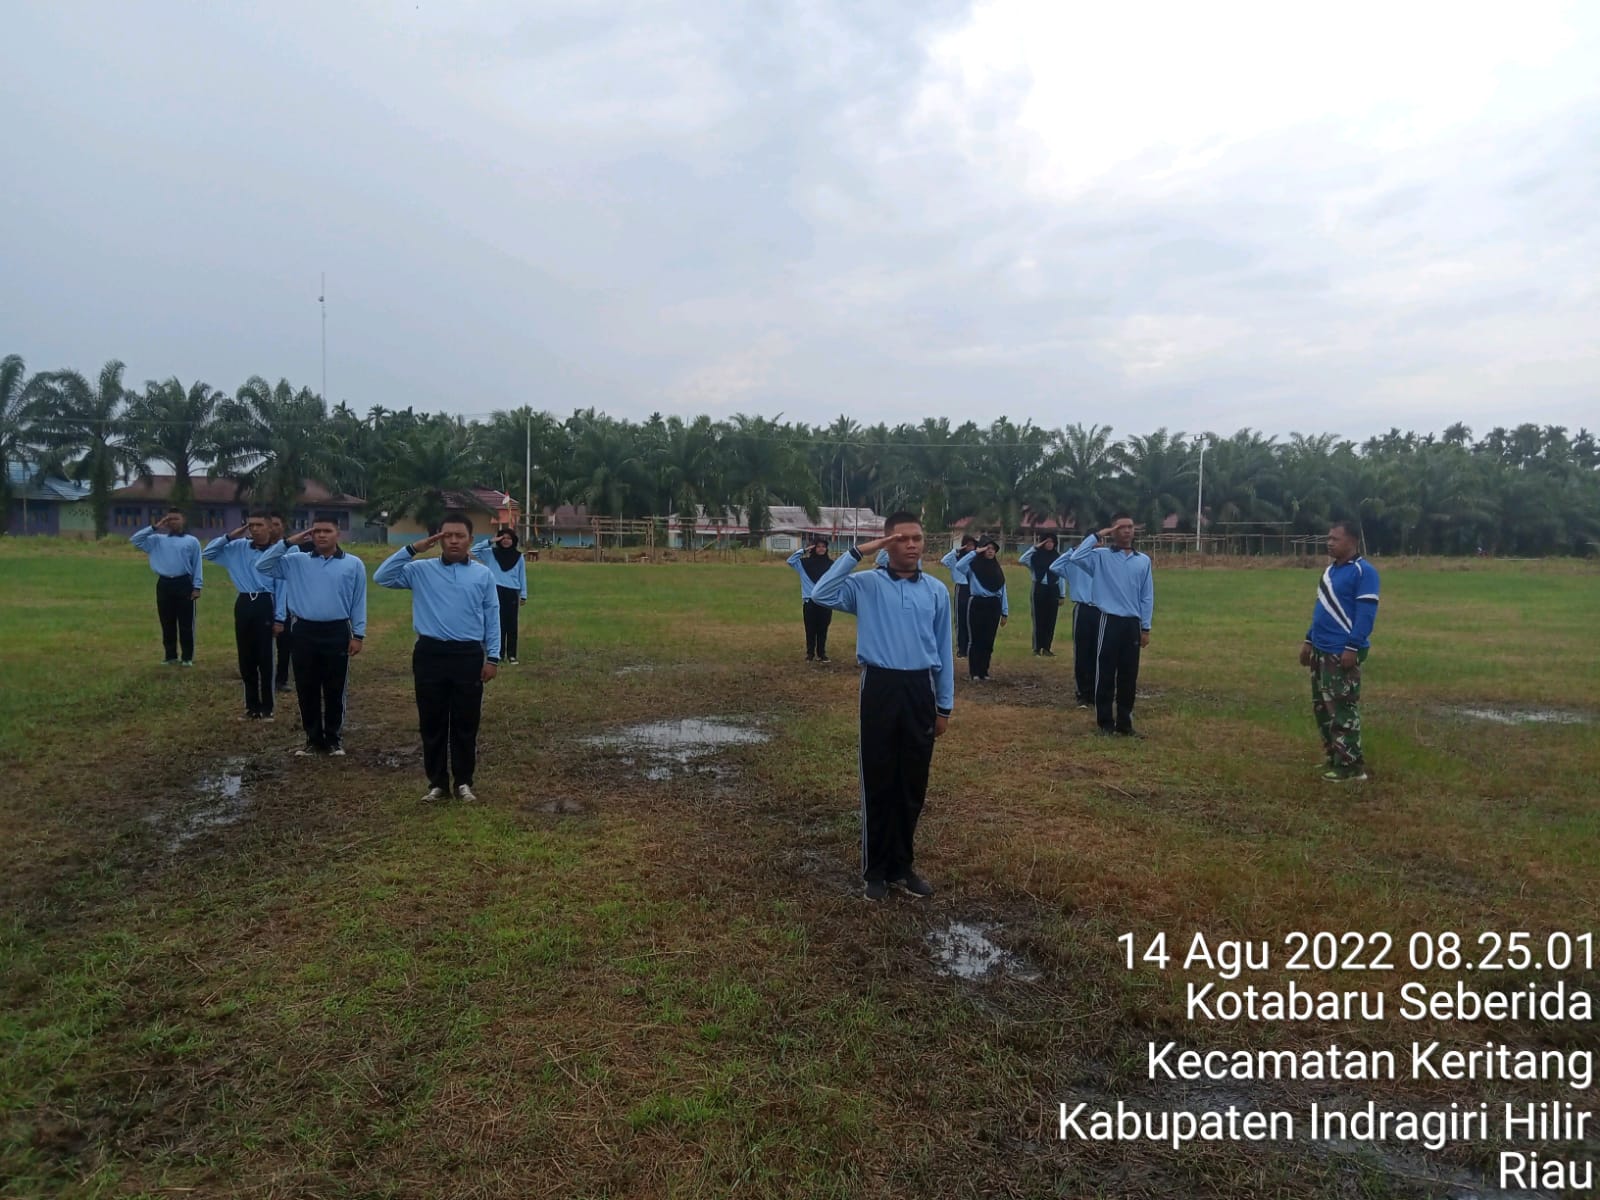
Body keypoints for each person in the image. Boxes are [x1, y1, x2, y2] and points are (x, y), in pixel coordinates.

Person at [811, 512, 953, 901]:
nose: (911, 545)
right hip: (880, 686)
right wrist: (859, 552)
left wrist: (944, 707)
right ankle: (875, 871)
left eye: (918, 538)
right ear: (887, 543)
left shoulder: (936, 591)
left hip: (920, 687)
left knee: (912, 783)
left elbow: (944, 651)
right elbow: (820, 594)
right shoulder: (865, 585)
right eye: (902, 539)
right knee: (878, 778)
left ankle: (902, 867)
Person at [377, 513, 501, 802]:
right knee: (432, 721)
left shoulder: (483, 574)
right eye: (447, 535)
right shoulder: (420, 570)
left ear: (471, 539)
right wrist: (412, 549)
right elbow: (382, 576)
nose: (454, 540)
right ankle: (437, 783)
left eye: (460, 535)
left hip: (467, 655)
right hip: (430, 654)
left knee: (465, 721)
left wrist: (492, 657)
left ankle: (464, 782)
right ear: (437, 538)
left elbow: (492, 617)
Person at [259, 517, 367, 757]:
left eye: (327, 531)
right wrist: (287, 543)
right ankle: (313, 738)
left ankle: (333, 739)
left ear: (337, 533)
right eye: (316, 531)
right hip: (304, 631)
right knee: (306, 687)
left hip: (337, 630)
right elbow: (263, 566)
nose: (321, 536)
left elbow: (359, 600)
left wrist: (358, 634)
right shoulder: (295, 561)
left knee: (334, 687)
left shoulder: (353, 564)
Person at [1054, 514, 1153, 736]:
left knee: (1129, 675)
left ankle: (1125, 723)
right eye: (1121, 527)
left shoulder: (1143, 560)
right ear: (1113, 531)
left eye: (1130, 527)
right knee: (1105, 673)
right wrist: (1099, 534)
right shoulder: (1100, 557)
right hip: (1108, 620)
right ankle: (1105, 723)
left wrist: (1145, 627)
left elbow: (1147, 596)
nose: (1127, 531)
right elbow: (1076, 556)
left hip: (1132, 623)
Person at [1300, 519, 1380, 782]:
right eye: (1329, 538)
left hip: (1341, 651)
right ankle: (1334, 756)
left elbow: (1366, 615)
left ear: (1352, 541)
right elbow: (1320, 609)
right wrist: (1309, 641)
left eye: (1335, 539)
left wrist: (1352, 647)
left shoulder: (1363, 572)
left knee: (1342, 708)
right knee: (1323, 708)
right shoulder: (1329, 572)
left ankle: (1351, 765)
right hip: (1321, 649)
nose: (1329, 543)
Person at [202, 511, 280, 720]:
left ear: (270, 527)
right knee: (246, 657)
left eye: (259, 525)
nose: (254, 529)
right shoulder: (237, 548)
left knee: (264, 657)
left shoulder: (277, 552)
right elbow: (208, 553)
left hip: (265, 601)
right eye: (250, 525)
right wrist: (230, 536)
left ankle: (267, 707)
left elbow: (283, 588)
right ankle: (251, 706)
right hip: (244, 601)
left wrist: (279, 618)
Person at [130, 507, 203, 666]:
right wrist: (155, 526)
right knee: (167, 621)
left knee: (185, 622)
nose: (172, 522)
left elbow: (197, 564)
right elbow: (135, 540)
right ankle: (170, 656)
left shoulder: (191, 541)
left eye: (176, 519)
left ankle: (187, 657)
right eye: (169, 519)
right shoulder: (156, 540)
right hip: (164, 584)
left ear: (183, 520)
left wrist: (197, 587)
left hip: (184, 582)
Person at [471, 526, 528, 665]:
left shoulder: (518, 556)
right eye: (503, 538)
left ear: (513, 540)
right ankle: (498, 653)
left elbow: (522, 576)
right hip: (494, 590)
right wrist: (491, 541)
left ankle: (512, 655)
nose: (506, 541)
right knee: (497, 622)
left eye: (509, 538)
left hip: (512, 591)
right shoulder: (491, 553)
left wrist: (523, 594)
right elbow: (473, 551)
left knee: (511, 624)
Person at [955, 537, 1008, 681]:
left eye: (993, 549)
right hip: (977, 603)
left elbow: (1003, 591)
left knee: (988, 640)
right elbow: (959, 566)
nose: (990, 551)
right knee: (976, 639)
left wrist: (1005, 612)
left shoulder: (997, 570)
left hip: (993, 605)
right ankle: (974, 672)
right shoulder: (973, 567)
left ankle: (984, 671)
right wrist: (975, 552)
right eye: (988, 548)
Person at [1061, 546, 1100, 708]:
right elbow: (1055, 566)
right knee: (1082, 652)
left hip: (1102, 609)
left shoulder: (1101, 561)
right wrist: (1071, 551)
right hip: (1083, 609)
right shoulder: (1075, 563)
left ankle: (1096, 692)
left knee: (1099, 652)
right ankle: (1082, 693)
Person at [785, 535, 834, 661]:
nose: (821, 549)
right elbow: (790, 561)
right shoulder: (804, 563)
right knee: (810, 628)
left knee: (823, 628)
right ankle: (810, 654)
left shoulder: (831, 564)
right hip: (809, 601)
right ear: (813, 548)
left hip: (825, 601)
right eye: (818, 546)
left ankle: (822, 653)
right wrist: (804, 550)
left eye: (824, 547)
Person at [1018, 533, 1067, 656]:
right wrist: (1035, 547)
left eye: (1051, 542)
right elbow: (1022, 560)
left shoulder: (1057, 557)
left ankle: (1047, 648)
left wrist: (1062, 594)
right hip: (1039, 588)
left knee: (1051, 620)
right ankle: (1037, 648)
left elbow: (1061, 576)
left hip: (1053, 589)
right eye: (1046, 542)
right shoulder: (1035, 557)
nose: (1049, 544)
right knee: (1038, 619)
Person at [939, 535, 978, 658]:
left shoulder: (975, 559)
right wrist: (956, 550)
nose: (970, 548)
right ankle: (961, 649)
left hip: (973, 589)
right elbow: (944, 561)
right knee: (960, 619)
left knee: (972, 619)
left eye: (973, 545)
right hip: (961, 588)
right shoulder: (956, 558)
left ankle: (971, 647)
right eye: (968, 545)